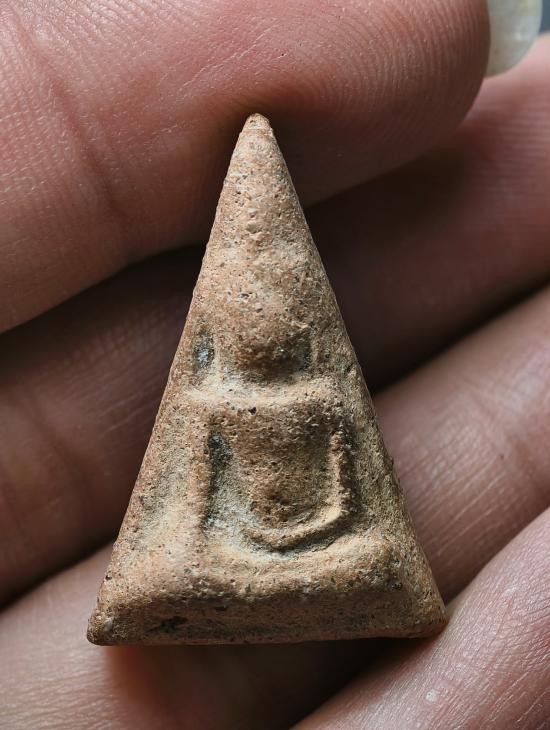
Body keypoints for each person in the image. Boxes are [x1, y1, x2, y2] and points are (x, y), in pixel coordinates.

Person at [0, 1, 548, 728]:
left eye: (278, 310)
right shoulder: (210, 405)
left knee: (373, 565)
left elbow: (351, 509)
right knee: (166, 573)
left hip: (324, 551)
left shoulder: (321, 400)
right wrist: (240, 556)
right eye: (251, 310)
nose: (266, 325)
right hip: (232, 554)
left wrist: (303, 547)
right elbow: (192, 518)